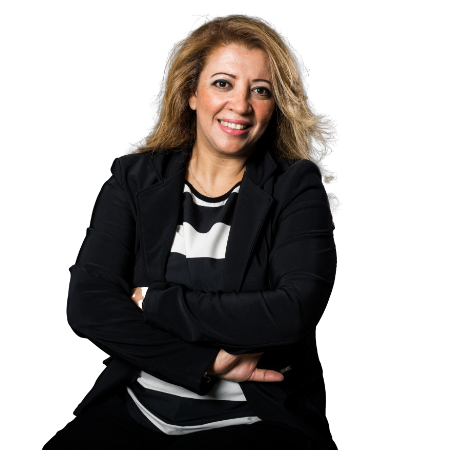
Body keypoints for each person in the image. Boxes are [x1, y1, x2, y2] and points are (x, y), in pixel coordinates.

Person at [44, 13, 339, 450]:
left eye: (260, 90)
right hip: (138, 408)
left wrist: (154, 302)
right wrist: (206, 363)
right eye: (223, 83)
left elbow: (291, 312)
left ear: (275, 105)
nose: (240, 105)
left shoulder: (296, 186)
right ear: (191, 94)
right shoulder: (135, 177)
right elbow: (88, 305)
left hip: (253, 418)